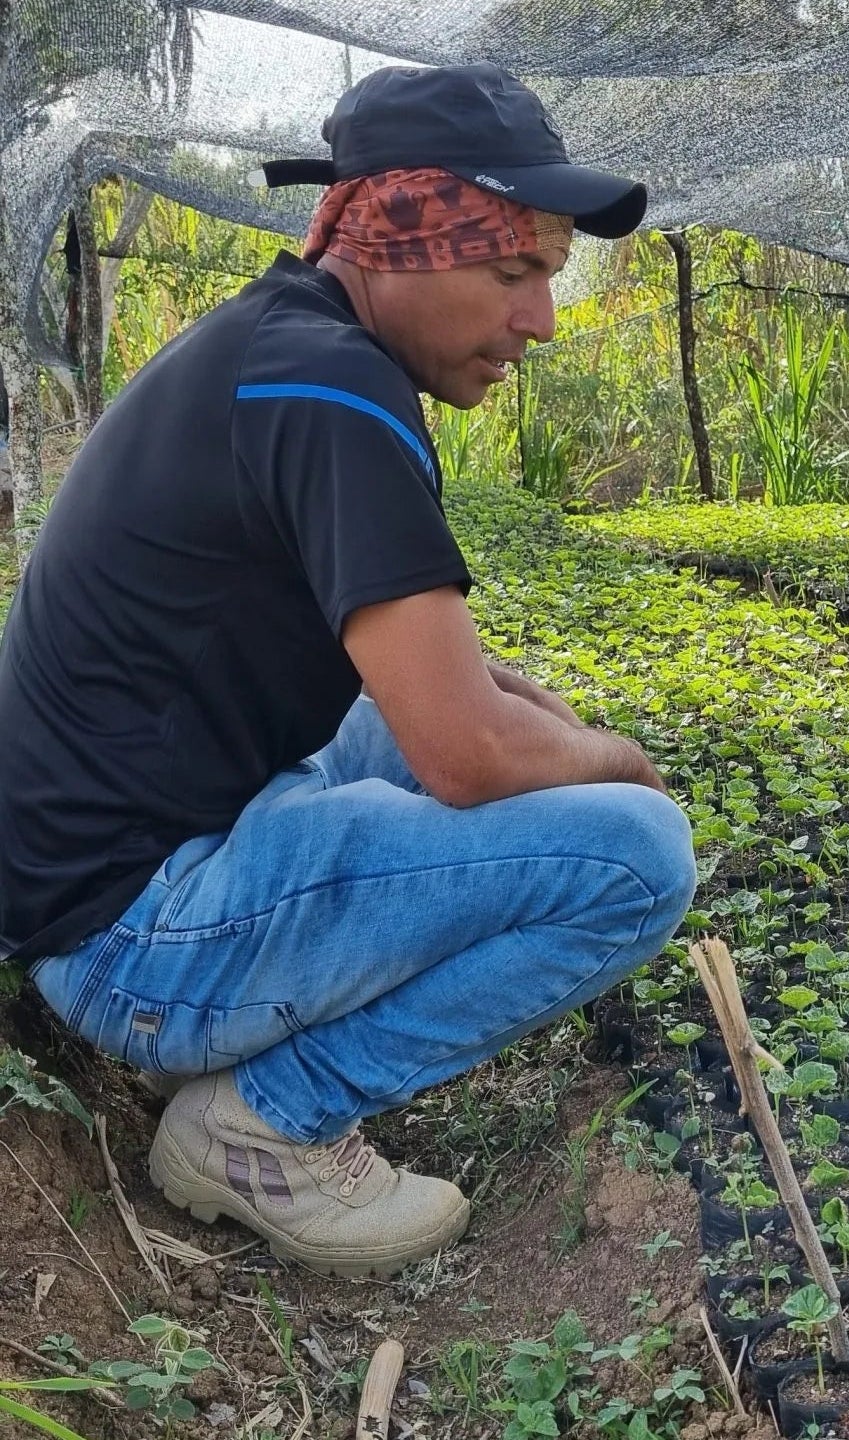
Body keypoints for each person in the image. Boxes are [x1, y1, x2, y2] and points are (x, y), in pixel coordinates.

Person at [0, 63, 697, 1278]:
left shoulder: (287, 346)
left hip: (96, 872)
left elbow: (442, 692)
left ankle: (231, 1029)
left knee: (453, 728)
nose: (539, 321)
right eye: (516, 273)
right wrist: (619, 761)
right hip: (129, 940)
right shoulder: (331, 389)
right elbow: (468, 756)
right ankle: (268, 1124)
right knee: (638, 854)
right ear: (405, 241)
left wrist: (525, 717)